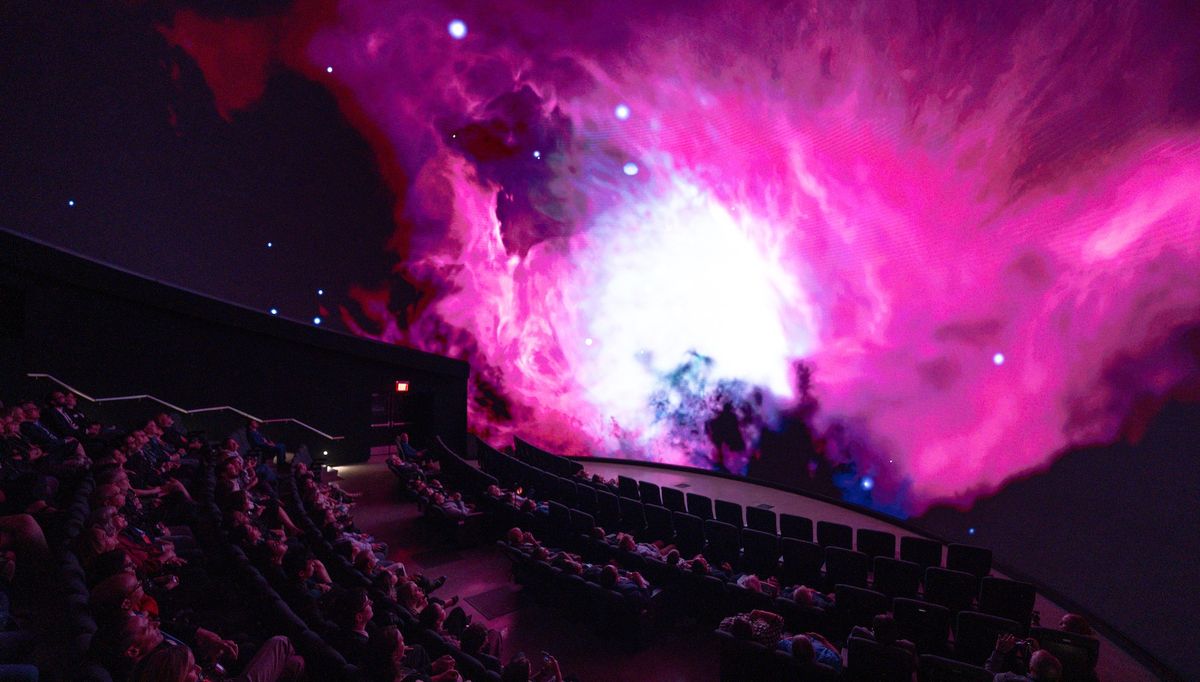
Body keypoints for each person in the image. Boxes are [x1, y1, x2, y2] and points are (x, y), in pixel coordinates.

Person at [718, 609, 785, 646]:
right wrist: (760, 613)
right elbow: (780, 620)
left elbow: (726, 622)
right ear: (752, 629)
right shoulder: (765, 637)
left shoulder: (725, 626)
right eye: (748, 621)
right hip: (781, 640)